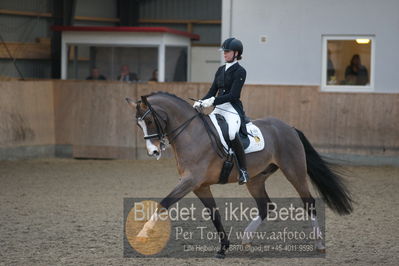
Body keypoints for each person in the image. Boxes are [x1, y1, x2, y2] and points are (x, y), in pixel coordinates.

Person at [193, 37, 249, 185]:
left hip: (232, 109)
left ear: (236, 53)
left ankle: (243, 170)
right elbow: (212, 91)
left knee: (231, 133)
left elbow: (234, 95)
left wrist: (213, 101)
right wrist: (201, 101)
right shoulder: (220, 70)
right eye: (224, 51)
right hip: (218, 108)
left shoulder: (240, 71)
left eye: (227, 51)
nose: (224, 54)